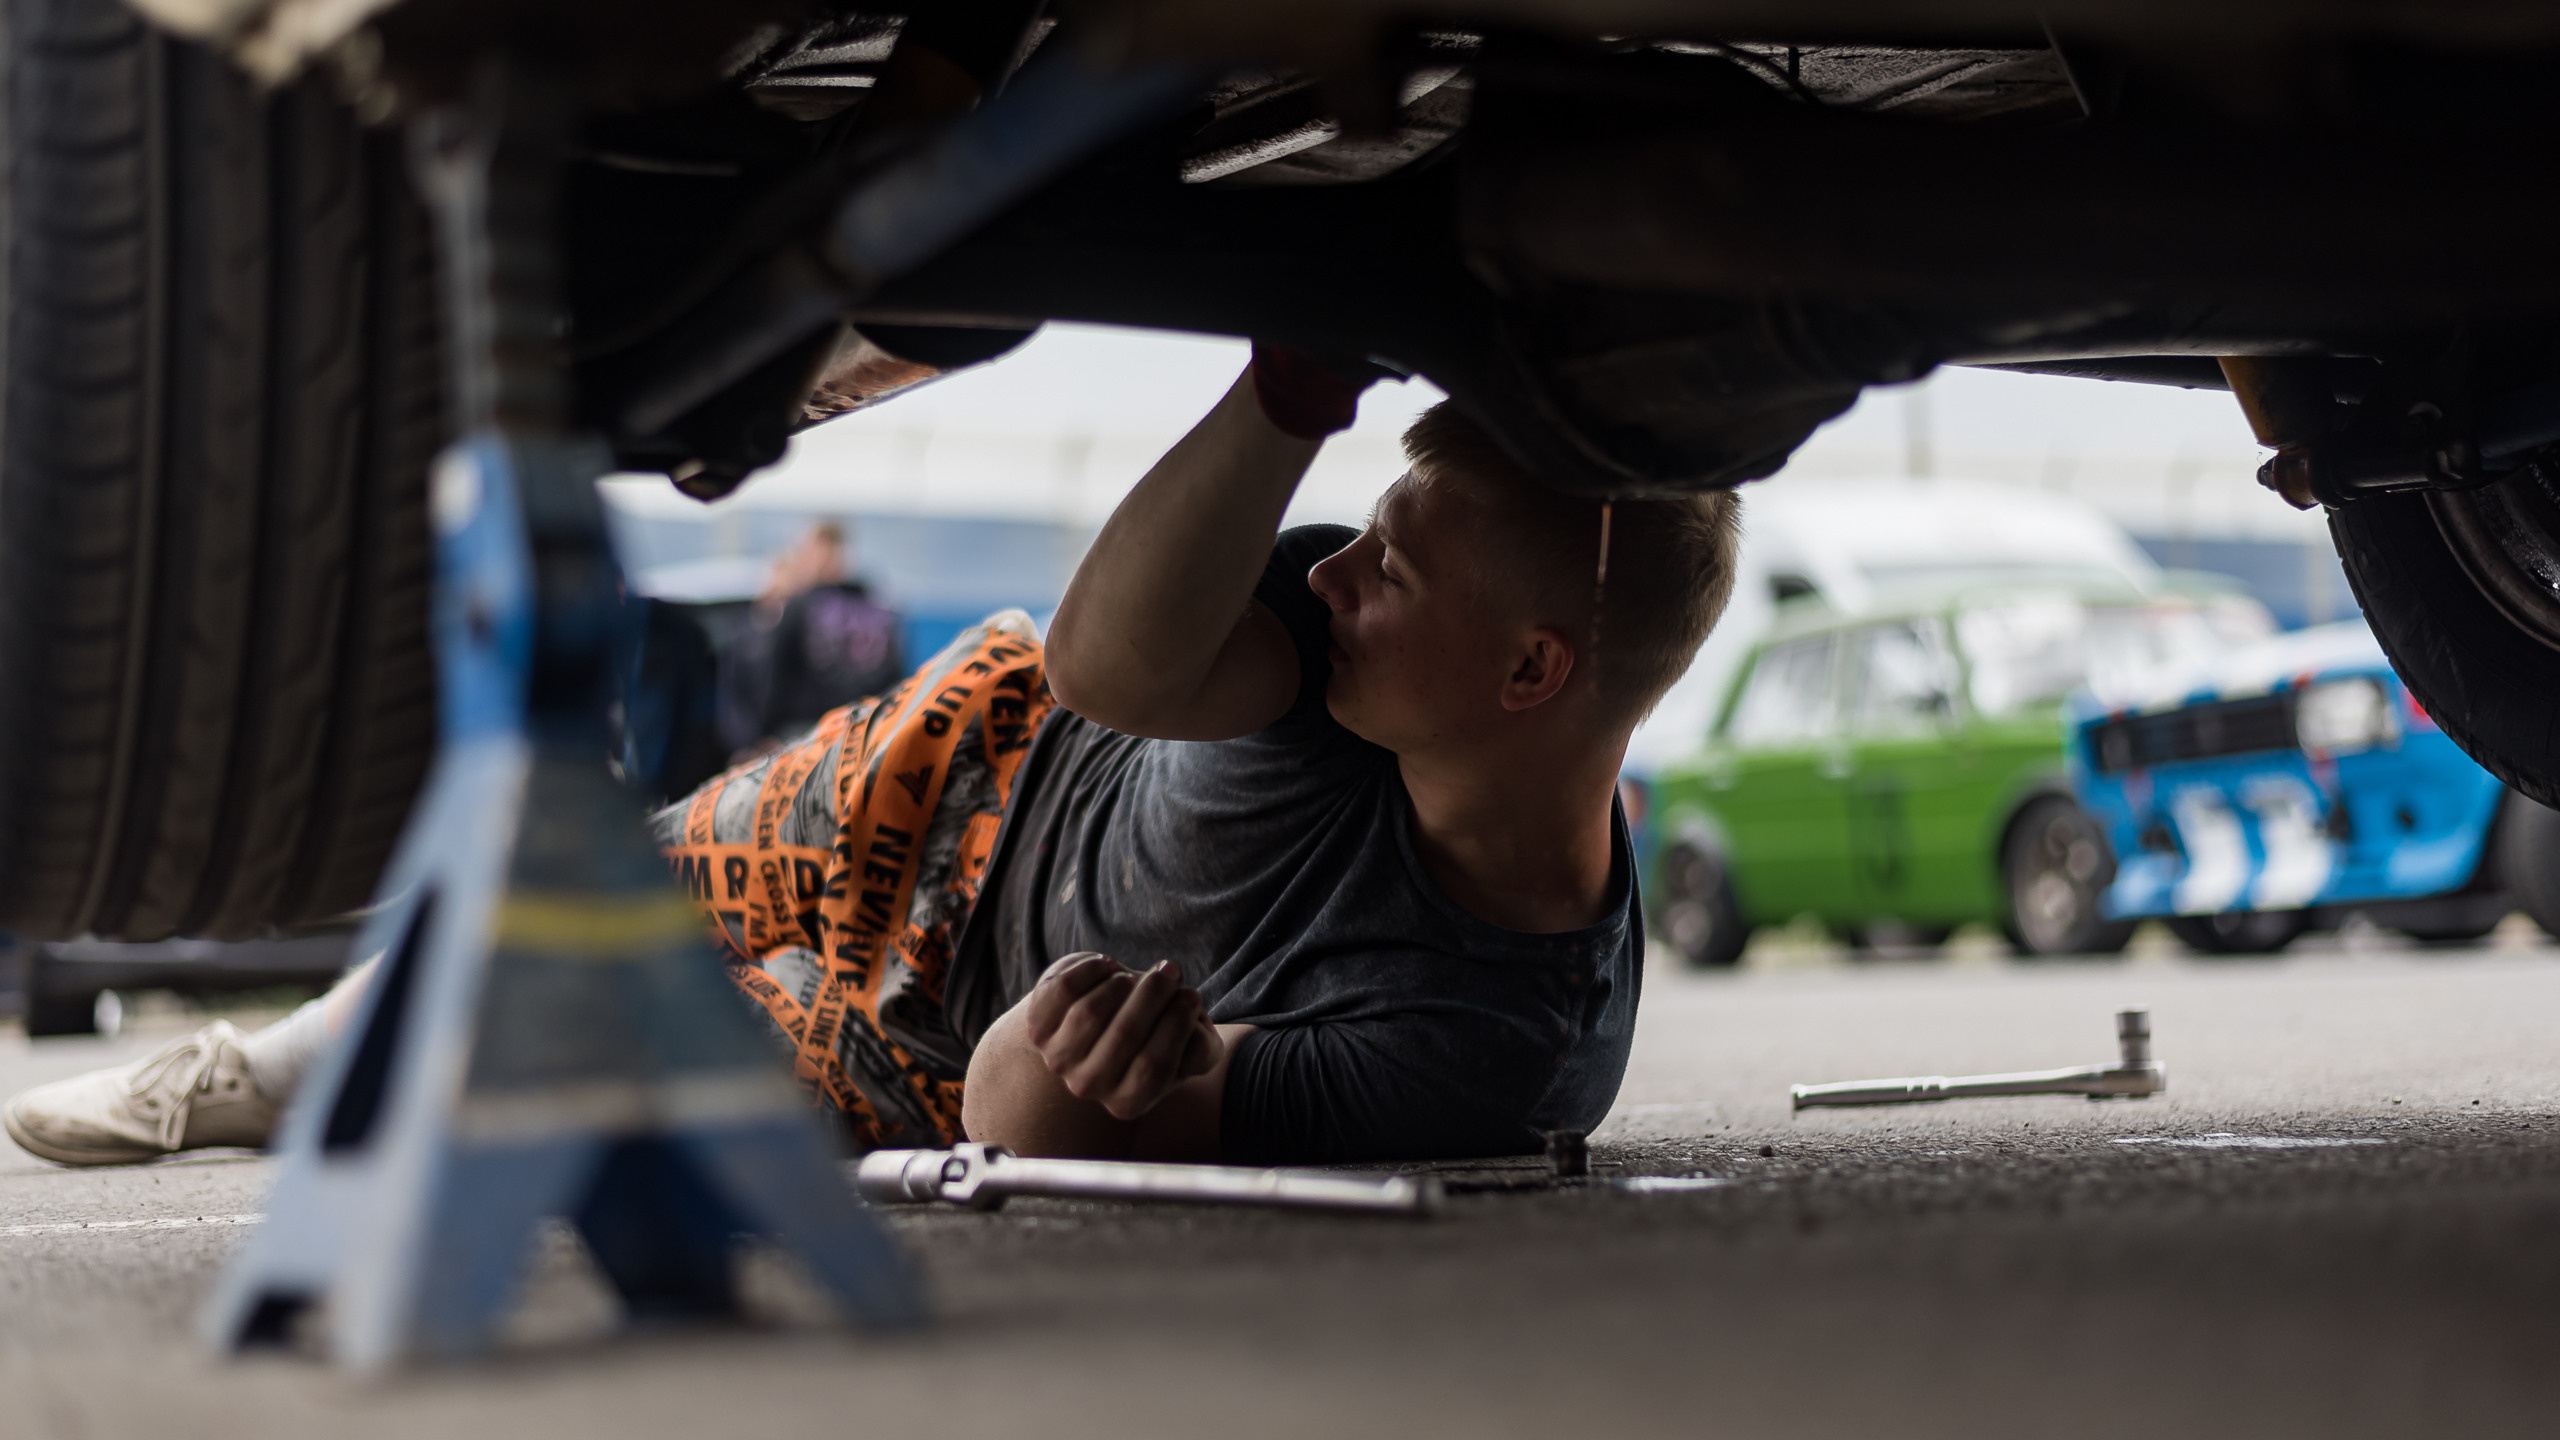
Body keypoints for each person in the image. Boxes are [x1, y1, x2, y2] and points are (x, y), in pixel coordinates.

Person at [2, 346, 1740, 1168]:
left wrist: (1043, 1098)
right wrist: (1291, 394)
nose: (1343, 566)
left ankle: (339, 1086)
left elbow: (1026, 1124)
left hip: (923, 1050)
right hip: (968, 768)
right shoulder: (1360, 663)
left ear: (1532, 670)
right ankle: (261, 1070)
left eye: (1396, 567)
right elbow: (1106, 666)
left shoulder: (1486, 1051)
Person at [715, 521, 905, 761]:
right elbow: (897, 677)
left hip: (807, 738)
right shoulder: (882, 610)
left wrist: (761, 735)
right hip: (865, 733)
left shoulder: (802, 606)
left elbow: (777, 676)